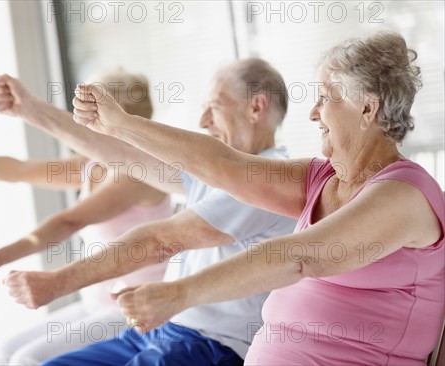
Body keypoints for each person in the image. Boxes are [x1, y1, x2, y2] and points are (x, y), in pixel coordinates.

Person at [72, 31, 445, 365]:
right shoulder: (323, 178)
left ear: (367, 107)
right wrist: (120, 125)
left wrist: (180, 293)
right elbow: (223, 163)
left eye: (325, 98)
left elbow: (298, 257)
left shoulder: (403, 195)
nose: (314, 113)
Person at [0, 59, 297, 365]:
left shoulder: (267, 178)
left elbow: (159, 241)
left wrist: (57, 283)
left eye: (215, 107)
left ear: (256, 108)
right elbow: (125, 156)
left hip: (211, 343)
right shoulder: (220, 172)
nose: (203, 120)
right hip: (162, 328)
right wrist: (32, 110)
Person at [0, 70, 174, 365]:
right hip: (96, 304)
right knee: (7, 351)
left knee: (28, 360)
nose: (75, 117)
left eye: (87, 109)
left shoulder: (136, 175)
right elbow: (18, 171)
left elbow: (69, 222)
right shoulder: (92, 165)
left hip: (136, 307)